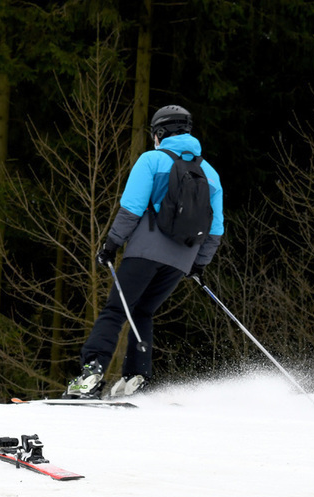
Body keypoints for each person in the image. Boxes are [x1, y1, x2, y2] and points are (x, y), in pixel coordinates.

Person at [63, 104, 224, 399]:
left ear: (161, 133)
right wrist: (198, 265)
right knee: (143, 311)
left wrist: (111, 245)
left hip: (146, 250)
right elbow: (215, 229)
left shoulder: (152, 160)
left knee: (115, 309)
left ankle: (91, 374)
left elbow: (132, 208)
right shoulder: (210, 173)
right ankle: (136, 376)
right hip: (182, 259)